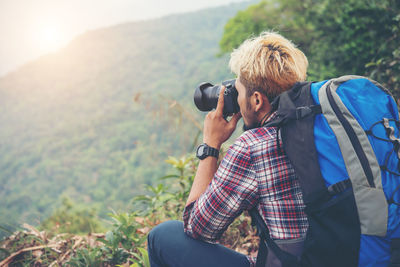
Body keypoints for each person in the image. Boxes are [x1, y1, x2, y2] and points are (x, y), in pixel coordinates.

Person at [147, 31, 310, 267]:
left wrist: (211, 146)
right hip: (343, 255)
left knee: (163, 236)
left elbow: (197, 228)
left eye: (239, 91)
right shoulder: (324, 122)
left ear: (256, 100)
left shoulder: (254, 147)